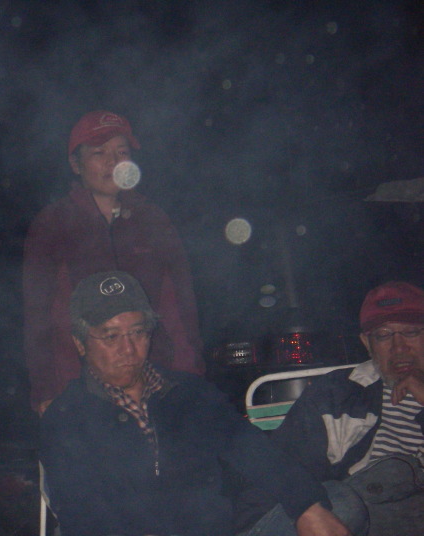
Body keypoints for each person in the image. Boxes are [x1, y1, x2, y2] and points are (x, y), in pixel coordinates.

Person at [40, 270, 367, 536]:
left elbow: (256, 452)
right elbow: (78, 513)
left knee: (338, 503)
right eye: (111, 336)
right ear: (80, 343)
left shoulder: (190, 394)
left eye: (138, 332)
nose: (128, 349)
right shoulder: (65, 418)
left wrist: (306, 505)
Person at [24, 110, 204, 415]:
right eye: (99, 153)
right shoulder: (52, 225)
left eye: (122, 152)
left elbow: (180, 310)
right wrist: (48, 391)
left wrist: (191, 381)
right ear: (75, 164)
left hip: (157, 383)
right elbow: (39, 319)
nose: (113, 162)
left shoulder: (154, 220)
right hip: (81, 391)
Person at [261, 281, 424, 534]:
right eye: (383, 335)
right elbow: (284, 472)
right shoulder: (336, 394)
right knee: (339, 503)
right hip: (362, 517)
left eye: (411, 332)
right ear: (367, 343)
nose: (399, 347)